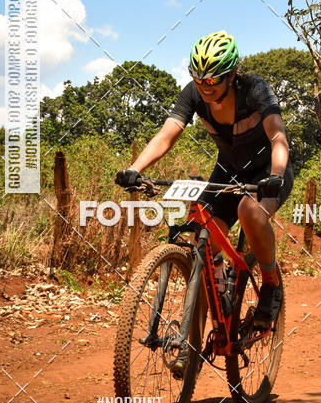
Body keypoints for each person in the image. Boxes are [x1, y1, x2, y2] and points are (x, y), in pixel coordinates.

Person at [115, 30, 294, 329]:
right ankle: (217, 293)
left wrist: (276, 175)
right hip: (228, 171)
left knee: (249, 211)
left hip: (268, 172)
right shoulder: (193, 94)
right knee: (201, 235)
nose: (204, 87)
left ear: (232, 74)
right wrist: (135, 169)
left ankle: (271, 283)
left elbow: (278, 137)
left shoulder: (255, 90)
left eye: (212, 80)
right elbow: (166, 135)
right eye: (198, 79)